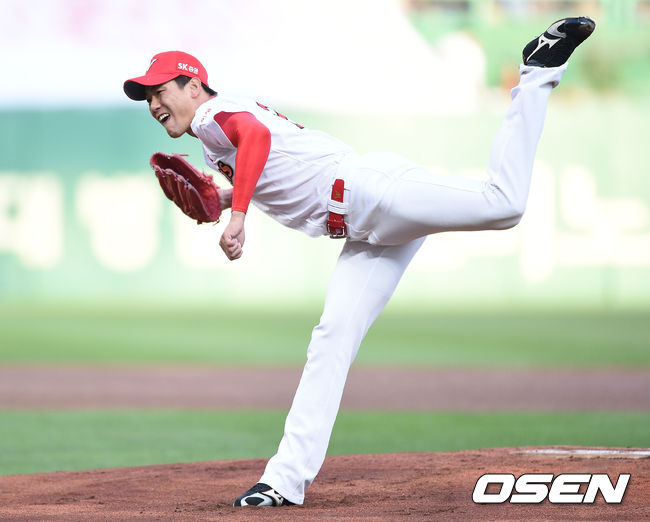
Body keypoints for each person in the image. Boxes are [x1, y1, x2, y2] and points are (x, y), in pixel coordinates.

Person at [123, 17, 595, 507]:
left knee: (504, 205)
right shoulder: (213, 135)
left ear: (194, 86)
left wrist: (237, 214)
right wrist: (224, 199)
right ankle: (283, 481)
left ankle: (537, 72)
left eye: (159, 91)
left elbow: (256, 137)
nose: (153, 104)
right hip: (363, 226)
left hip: (372, 193)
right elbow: (273, 164)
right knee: (332, 338)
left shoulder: (211, 115)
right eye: (147, 97)